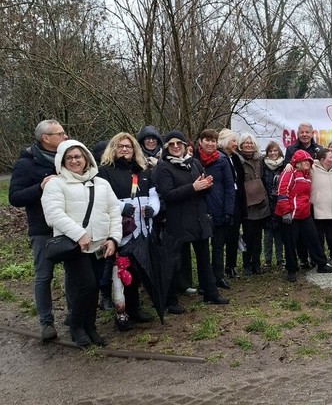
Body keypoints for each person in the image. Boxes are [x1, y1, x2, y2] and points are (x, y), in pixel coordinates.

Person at [41, 140, 120, 346]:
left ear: (86, 158)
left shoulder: (101, 183)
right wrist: (79, 234)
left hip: (100, 245)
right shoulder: (56, 184)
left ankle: (91, 327)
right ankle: (76, 326)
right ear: (62, 161)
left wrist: (113, 238)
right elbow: (53, 214)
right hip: (75, 246)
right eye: (69, 158)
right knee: (85, 286)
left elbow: (114, 212)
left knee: (94, 287)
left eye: (78, 156)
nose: (74, 161)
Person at [153, 130, 228, 313]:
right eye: (172, 144)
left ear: (185, 146)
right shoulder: (163, 167)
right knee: (174, 262)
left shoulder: (194, 163)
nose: (176, 147)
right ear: (166, 147)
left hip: (199, 218)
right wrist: (193, 187)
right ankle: (171, 301)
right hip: (177, 220)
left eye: (179, 143)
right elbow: (168, 195)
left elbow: (204, 190)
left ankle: (210, 293)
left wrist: (207, 185)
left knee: (204, 259)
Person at [9, 120, 68, 341]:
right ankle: (46, 322)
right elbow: (15, 197)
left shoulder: (67, 158)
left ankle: (74, 317)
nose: (65, 136)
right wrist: (41, 186)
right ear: (46, 138)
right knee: (44, 275)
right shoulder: (26, 163)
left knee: (73, 273)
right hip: (42, 229)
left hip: (68, 226)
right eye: (60, 133)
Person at [97, 133, 160, 330]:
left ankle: (134, 308)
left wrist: (153, 209)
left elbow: (153, 195)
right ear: (113, 149)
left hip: (142, 229)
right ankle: (121, 312)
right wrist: (120, 207)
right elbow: (100, 198)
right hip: (120, 230)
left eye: (129, 146)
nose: (125, 149)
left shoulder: (143, 171)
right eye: (120, 146)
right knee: (120, 271)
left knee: (135, 272)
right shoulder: (104, 172)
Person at [275, 150, 332, 282]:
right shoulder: (289, 173)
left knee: (313, 239)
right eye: (304, 161)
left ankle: (321, 264)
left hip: (304, 213)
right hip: (290, 215)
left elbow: (323, 161)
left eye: (308, 161)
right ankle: (291, 269)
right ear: (297, 162)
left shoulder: (307, 174)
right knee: (290, 243)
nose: (307, 163)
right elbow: (282, 191)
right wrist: (285, 212)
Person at [196, 129, 234, 289]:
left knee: (218, 246)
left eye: (213, 141)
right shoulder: (193, 160)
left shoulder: (222, 160)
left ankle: (219, 276)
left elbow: (229, 187)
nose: (210, 144)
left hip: (219, 208)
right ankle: (204, 281)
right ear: (200, 142)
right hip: (200, 210)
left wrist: (228, 210)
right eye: (207, 140)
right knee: (202, 249)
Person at [237, 133, 270, 275]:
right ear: (241, 144)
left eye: (251, 143)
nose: (248, 145)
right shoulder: (237, 159)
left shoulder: (260, 160)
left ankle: (256, 263)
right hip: (246, 203)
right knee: (248, 235)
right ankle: (247, 264)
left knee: (258, 236)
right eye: (246, 142)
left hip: (260, 201)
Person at [217, 129, 245, 279]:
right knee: (222, 237)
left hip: (236, 199)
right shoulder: (218, 157)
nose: (236, 144)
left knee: (234, 234)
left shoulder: (235, 158)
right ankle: (218, 269)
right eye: (233, 141)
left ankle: (231, 265)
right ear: (225, 141)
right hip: (222, 201)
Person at [311, 148, 332, 265]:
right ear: (322, 159)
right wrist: (289, 164)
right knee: (319, 236)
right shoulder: (313, 168)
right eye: (330, 157)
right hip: (318, 208)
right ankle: (320, 259)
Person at [262, 141, 286, 268]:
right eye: (270, 151)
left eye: (275, 150)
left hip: (279, 202)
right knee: (267, 235)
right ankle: (267, 260)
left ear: (279, 152)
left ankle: (280, 258)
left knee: (279, 234)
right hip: (266, 203)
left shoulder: (284, 166)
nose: (273, 153)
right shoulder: (263, 165)